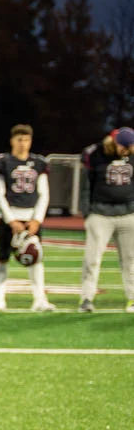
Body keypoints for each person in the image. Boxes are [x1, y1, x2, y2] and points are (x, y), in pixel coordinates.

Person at [0, 125, 53, 311]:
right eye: (19, 139)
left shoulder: (39, 163)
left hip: (31, 217)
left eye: (26, 139)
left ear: (30, 141)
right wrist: (10, 220)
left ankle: (39, 299)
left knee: (36, 257)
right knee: (3, 258)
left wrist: (37, 219)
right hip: (11, 217)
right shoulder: (3, 162)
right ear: (12, 140)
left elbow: (44, 194)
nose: (23, 143)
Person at [78, 127, 134, 312]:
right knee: (92, 259)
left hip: (128, 213)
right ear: (117, 144)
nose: (128, 152)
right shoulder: (94, 154)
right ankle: (86, 298)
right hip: (100, 214)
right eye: (126, 148)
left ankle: (132, 299)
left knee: (130, 259)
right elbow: (86, 183)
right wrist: (87, 212)